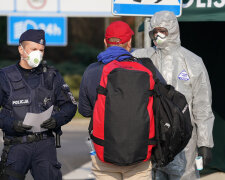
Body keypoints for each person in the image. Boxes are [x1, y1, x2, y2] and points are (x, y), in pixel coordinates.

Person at [132, 11, 214, 180]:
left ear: (173, 30)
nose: (158, 35)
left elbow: (202, 106)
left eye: (162, 30)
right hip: (151, 139)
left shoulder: (192, 62)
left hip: (183, 141)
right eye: (154, 31)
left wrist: (205, 143)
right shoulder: (142, 58)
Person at [79, 21, 152, 180]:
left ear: (105, 42)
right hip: (140, 153)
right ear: (130, 43)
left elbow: (85, 111)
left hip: (104, 153)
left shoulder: (92, 71)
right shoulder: (145, 68)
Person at [0, 29, 77, 180]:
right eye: (34, 49)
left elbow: (70, 106)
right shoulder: (5, 77)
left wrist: (57, 120)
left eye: (41, 50)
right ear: (21, 49)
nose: (38, 54)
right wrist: (12, 124)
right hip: (16, 145)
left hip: (44, 145)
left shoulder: (51, 76)